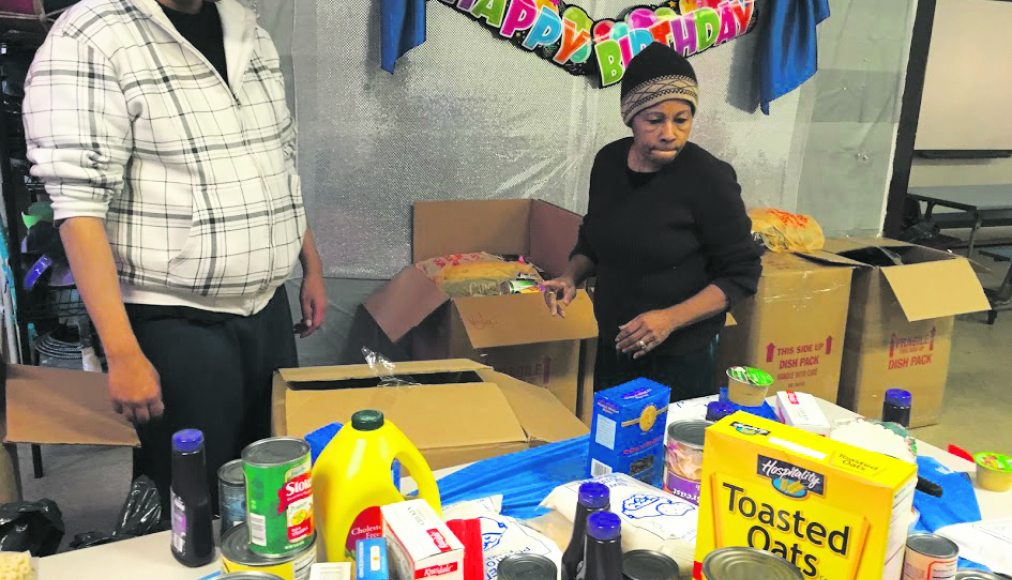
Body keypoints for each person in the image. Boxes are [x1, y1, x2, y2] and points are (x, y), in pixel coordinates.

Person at [23, 0, 326, 511]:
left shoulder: (246, 28)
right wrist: (121, 353)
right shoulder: (93, 34)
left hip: (263, 308)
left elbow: (277, 158)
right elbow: (78, 207)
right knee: (193, 500)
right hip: (175, 318)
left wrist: (310, 266)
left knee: (270, 484)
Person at [543, 42, 761, 400]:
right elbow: (594, 240)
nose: (669, 133)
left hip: (681, 360)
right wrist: (571, 276)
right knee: (614, 448)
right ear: (631, 118)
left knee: (672, 454)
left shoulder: (710, 179)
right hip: (616, 346)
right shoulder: (609, 163)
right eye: (655, 120)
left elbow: (742, 274)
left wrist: (669, 319)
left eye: (682, 119)